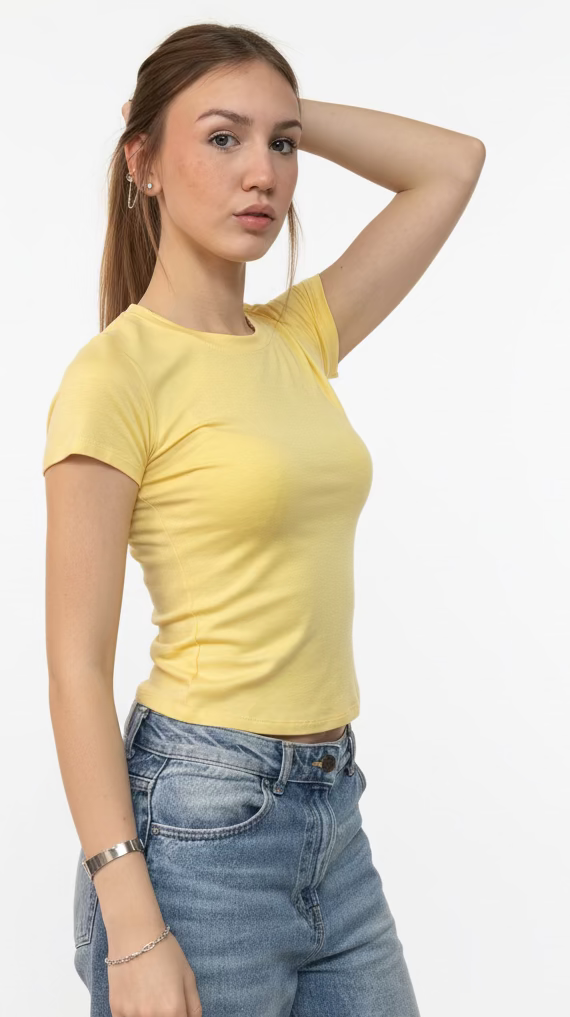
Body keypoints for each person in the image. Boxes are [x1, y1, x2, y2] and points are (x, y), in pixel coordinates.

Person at [43, 21, 485, 1017]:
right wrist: (132, 920)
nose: (264, 174)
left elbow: (453, 165)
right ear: (143, 162)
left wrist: (277, 112)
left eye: (280, 146)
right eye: (222, 139)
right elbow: (73, 666)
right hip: (198, 828)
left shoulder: (298, 336)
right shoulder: (115, 376)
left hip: (334, 813)